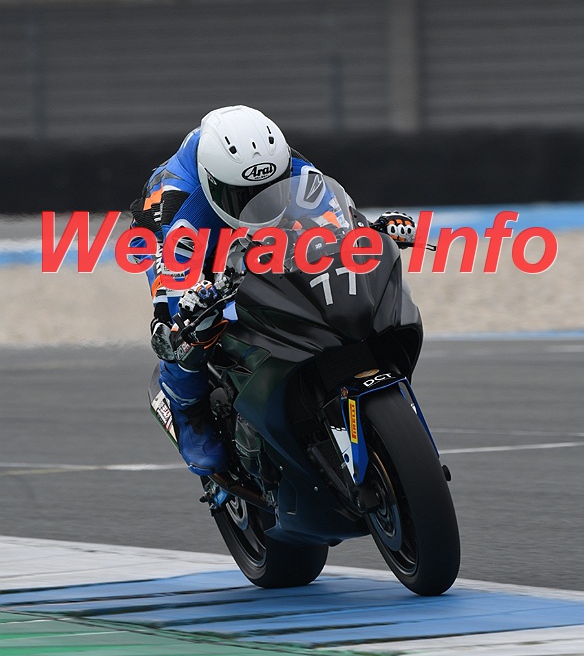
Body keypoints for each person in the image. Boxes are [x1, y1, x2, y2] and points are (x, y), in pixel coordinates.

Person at [130, 105, 415, 478]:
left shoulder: (292, 166)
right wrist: (183, 309)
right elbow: (175, 287)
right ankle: (186, 411)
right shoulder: (181, 209)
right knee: (183, 330)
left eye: (267, 190)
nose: (258, 202)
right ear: (215, 185)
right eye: (244, 195)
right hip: (168, 234)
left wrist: (367, 232)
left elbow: (337, 221)